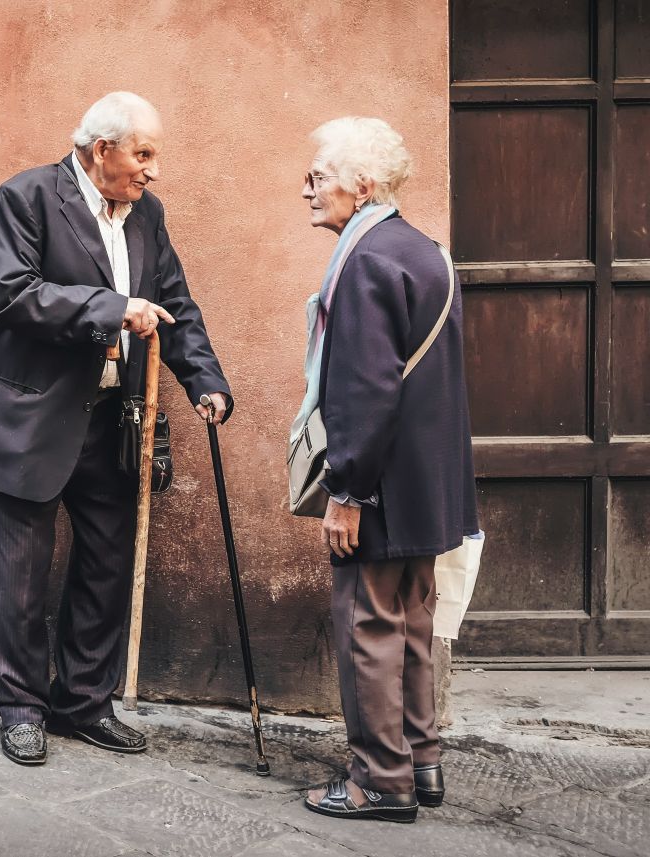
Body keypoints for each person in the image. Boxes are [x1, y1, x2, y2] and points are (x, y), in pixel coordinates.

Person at [0, 92, 233, 765]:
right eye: (143, 153)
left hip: (111, 420)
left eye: (153, 155)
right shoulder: (25, 198)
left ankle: (83, 700)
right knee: (19, 577)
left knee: (106, 568)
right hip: (28, 418)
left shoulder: (148, 215)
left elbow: (175, 303)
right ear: (100, 148)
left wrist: (206, 381)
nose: (152, 170)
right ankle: (21, 706)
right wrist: (112, 308)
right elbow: (14, 294)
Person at [293, 117, 478, 821]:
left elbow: (366, 389)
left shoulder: (365, 258)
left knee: (369, 624)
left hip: (380, 487)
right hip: (426, 486)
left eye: (319, 177)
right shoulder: (426, 250)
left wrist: (348, 491)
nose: (306, 188)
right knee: (411, 622)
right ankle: (421, 760)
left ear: (362, 186)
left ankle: (380, 779)